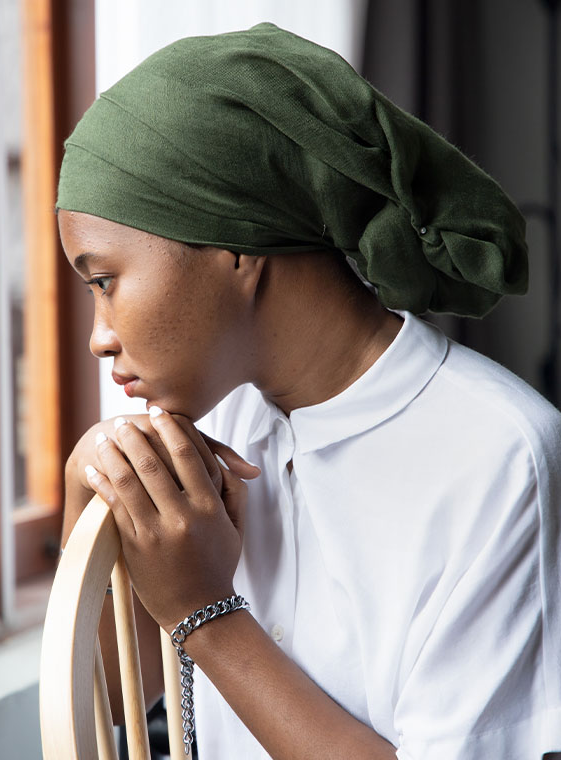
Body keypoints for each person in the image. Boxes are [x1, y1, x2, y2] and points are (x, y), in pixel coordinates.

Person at [56, 23, 561, 760]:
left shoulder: (502, 461)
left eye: (104, 281)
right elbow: (100, 696)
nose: (99, 336)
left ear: (236, 245)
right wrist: (89, 493)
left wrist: (206, 615)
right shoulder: (215, 413)